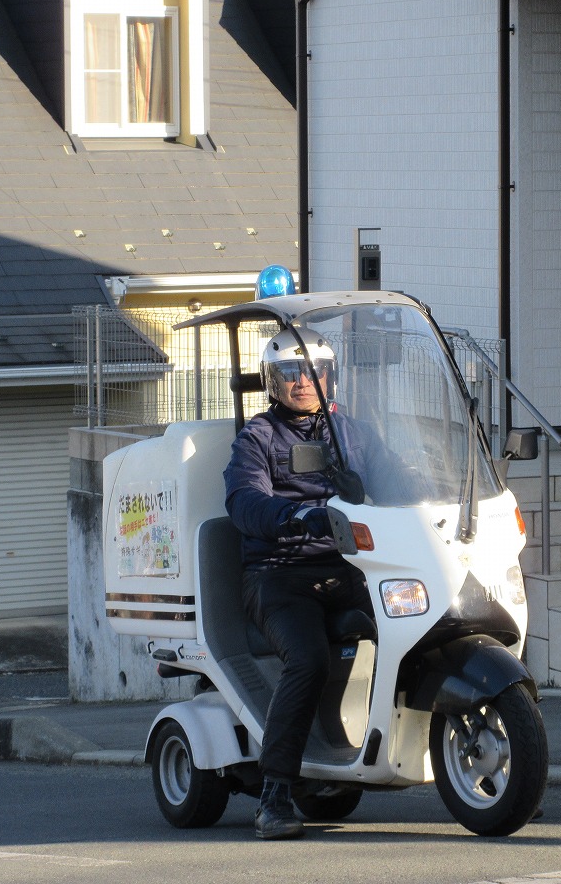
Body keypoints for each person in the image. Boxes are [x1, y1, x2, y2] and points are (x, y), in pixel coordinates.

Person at [223, 327, 376, 841]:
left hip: (351, 566)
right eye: (290, 373)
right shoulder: (257, 438)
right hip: (280, 572)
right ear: (273, 382)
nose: (304, 383)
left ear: (329, 376)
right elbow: (243, 501)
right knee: (308, 659)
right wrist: (292, 515)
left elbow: (398, 474)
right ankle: (276, 790)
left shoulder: (349, 431)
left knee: (425, 624)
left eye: (313, 372)